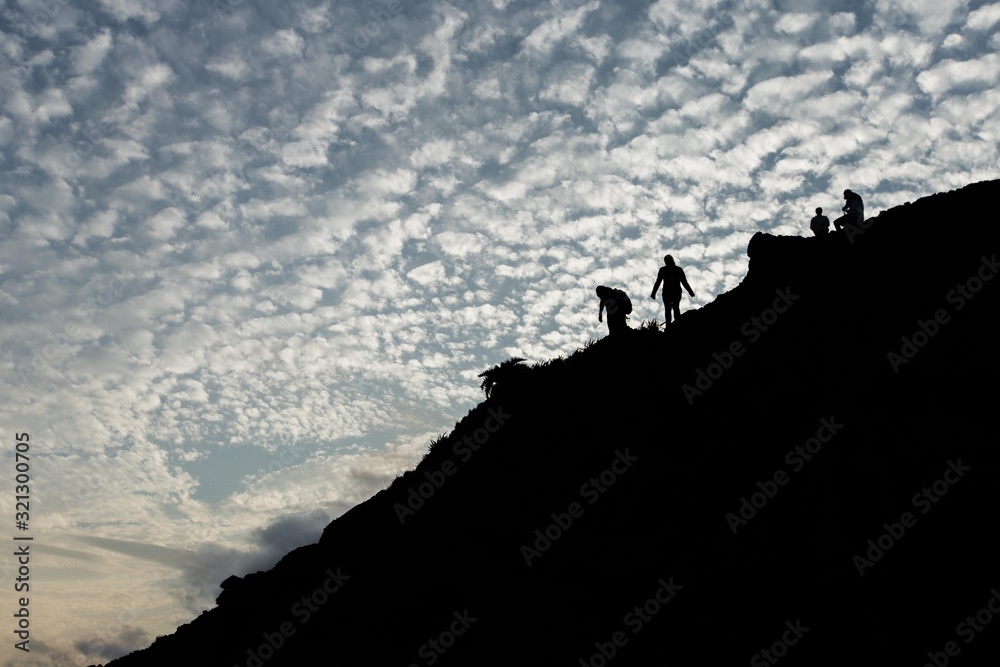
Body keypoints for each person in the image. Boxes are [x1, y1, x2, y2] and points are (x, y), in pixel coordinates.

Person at [650, 255, 695, 327]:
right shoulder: (667, 270)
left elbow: (684, 282)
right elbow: (658, 282)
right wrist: (653, 293)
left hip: (674, 292)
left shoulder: (676, 270)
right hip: (668, 292)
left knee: (674, 308)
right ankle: (670, 326)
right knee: (669, 309)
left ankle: (675, 326)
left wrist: (690, 292)